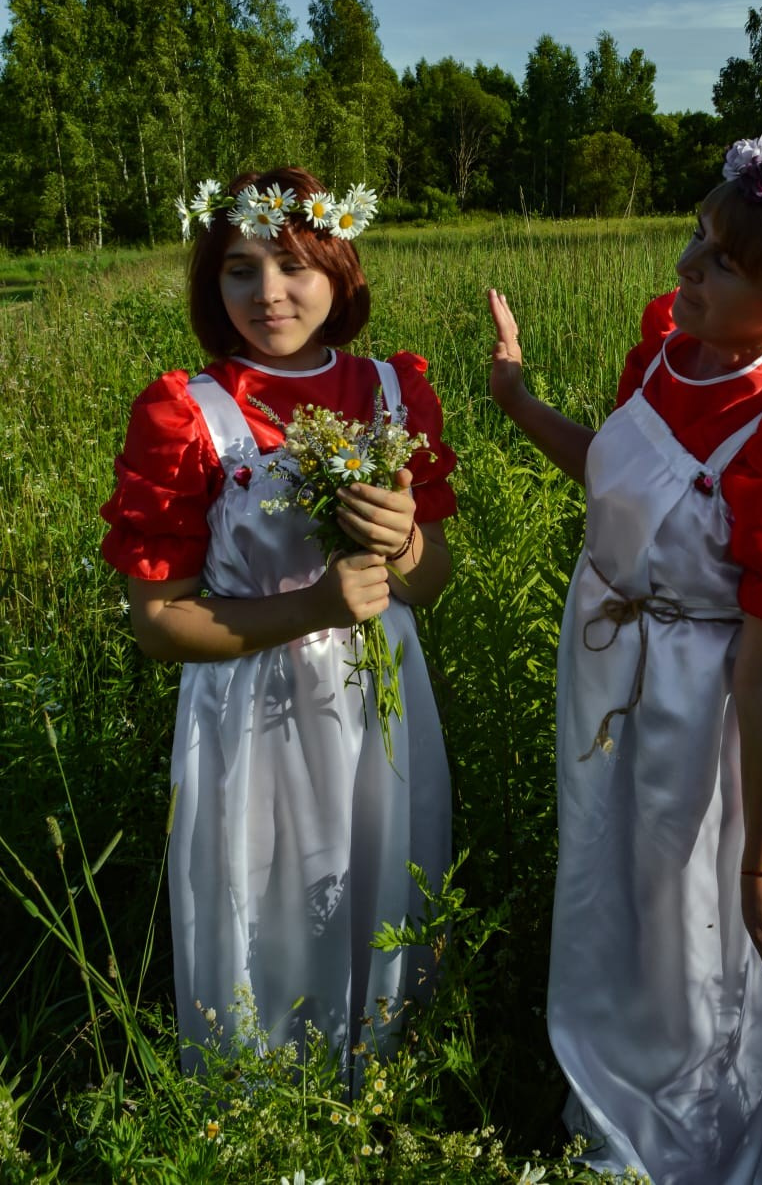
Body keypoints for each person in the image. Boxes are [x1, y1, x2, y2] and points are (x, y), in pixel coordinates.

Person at [487, 137, 762, 1183]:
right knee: (614, 884)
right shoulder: (669, 347)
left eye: (721, 261)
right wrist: (521, 403)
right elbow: (621, 471)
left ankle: (680, 1148)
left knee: (696, 918)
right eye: (695, 239)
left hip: (713, 708)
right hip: (613, 673)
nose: (684, 270)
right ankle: (608, 1114)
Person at [101, 167, 456, 1084]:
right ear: (210, 284)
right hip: (252, 707)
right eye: (239, 269)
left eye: (294, 263)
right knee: (269, 906)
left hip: (383, 690)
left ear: (338, 266)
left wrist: (407, 542)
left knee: (383, 882)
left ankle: (383, 1087)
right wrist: (313, 607)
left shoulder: (391, 391)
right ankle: (262, 1108)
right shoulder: (189, 413)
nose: (268, 293)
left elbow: (433, 582)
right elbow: (159, 622)